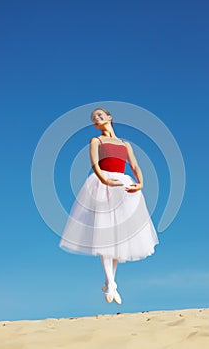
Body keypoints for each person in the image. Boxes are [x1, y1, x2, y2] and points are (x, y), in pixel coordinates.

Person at [59, 108, 159, 304]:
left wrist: (141, 183)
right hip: (103, 185)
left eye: (99, 115)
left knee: (117, 238)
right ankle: (111, 285)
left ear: (110, 117)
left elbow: (135, 165)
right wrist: (104, 180)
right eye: (93, 118)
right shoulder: (96, 141)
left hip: (123, 185)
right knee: (105, 236)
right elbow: (95, 164)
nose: (96, 118)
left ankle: (109, 282)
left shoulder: (125, 144)